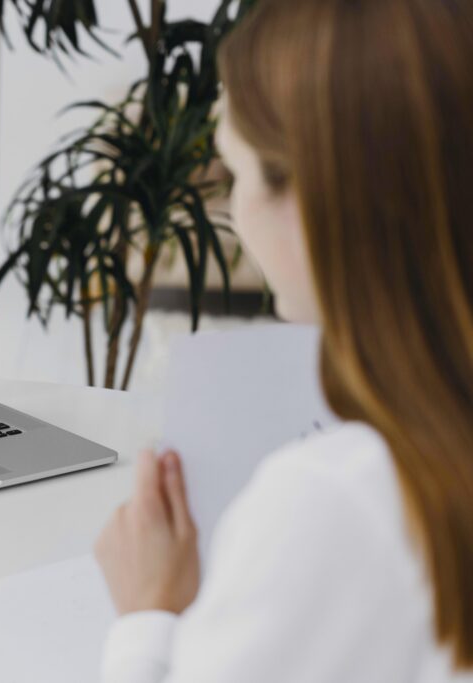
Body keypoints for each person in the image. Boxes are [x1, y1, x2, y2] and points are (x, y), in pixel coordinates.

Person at [94, 1, 473, 681]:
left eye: (238, 175)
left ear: (317, 198)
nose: (234, 211)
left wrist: (148, 613)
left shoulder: (334, 500)